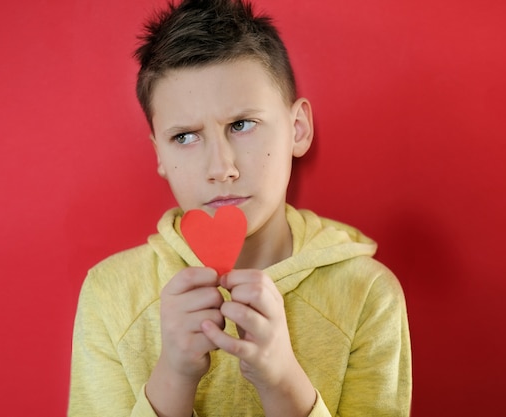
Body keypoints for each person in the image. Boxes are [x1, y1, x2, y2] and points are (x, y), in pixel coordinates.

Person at [68, 0, 412, 416]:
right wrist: (173, 378)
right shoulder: (110, 294)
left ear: (297, 129)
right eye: (185, 137)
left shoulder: (369, 294)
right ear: (159, 153)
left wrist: (282, 380)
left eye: (241, 125)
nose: (221, 168)